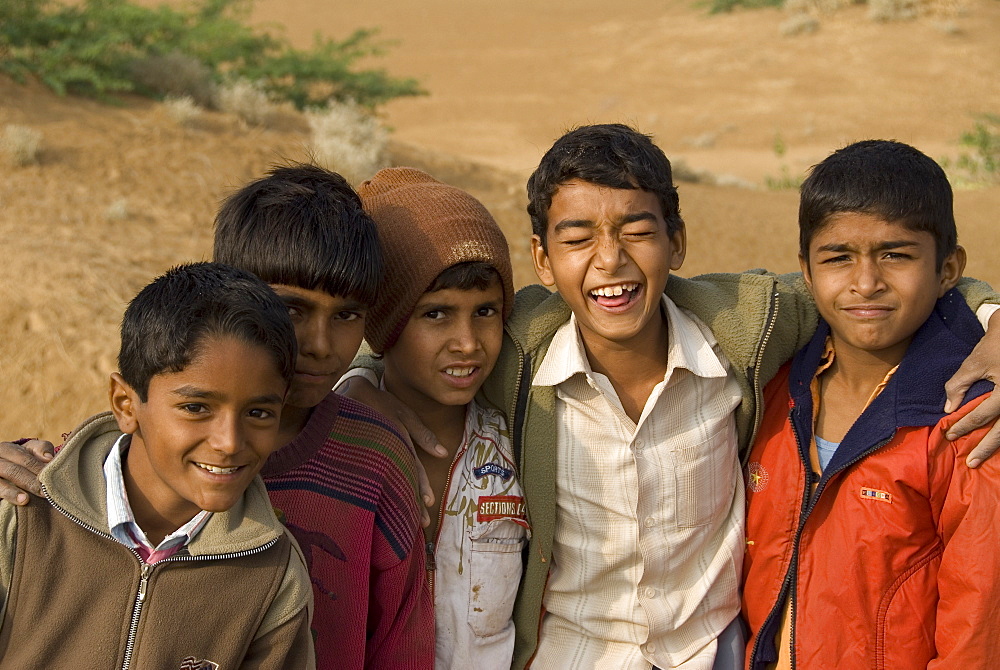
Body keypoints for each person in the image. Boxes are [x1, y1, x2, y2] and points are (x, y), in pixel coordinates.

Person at [341, 125, 1000, 670]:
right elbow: (420, 329)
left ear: (676, 242)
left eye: (637, 230)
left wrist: (996, 320)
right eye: (577, 239)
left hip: (710, 654)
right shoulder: (516, 347)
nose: (610, 261)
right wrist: (366, 388)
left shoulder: (746, 326)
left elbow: (880, 290)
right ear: (542, 261)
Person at [0, 165, 435, 670]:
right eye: (292, 310)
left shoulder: (376, 458)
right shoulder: (134, 445)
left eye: (346, 316)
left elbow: (402, 640)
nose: (319, 346)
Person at [741, 140, 1000, 669]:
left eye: (896, 255)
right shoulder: (774, 391)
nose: (866, 283)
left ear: (948, 269)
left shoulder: (971, 422)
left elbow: (977, 626)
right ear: (806, 272)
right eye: (838, 258)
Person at [0, 261, 314, 668]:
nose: (229, 442)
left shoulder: (273, 575)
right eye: (196, 407)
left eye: (258, 413)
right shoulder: (20, 520)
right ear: (125, 404)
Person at [352, 167, 527, 669]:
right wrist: (355, 387)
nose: (468, 342)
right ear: (384, 321)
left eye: (487, 311)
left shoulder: (519, 441)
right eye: (436, 314)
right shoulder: (338, 443)